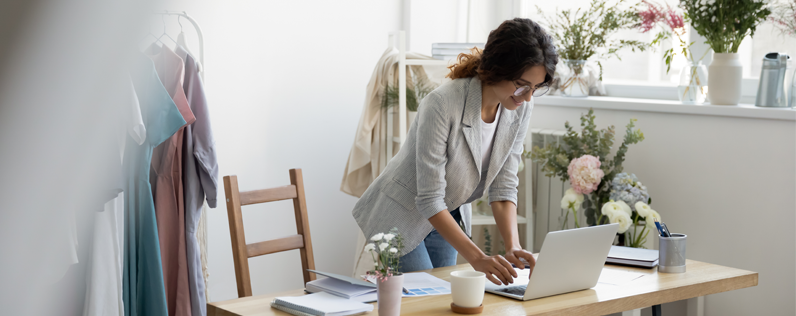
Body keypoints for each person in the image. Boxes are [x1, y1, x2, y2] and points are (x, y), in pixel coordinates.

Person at [352, 18, 558, 286]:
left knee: (442, 300)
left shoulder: (520, 109)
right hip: (399, 216)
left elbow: (504, 185)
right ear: (497, 68)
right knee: (424, 301)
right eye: (521, 84)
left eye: (535, 88)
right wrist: (478, 257)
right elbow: (428, 198)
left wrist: (512, 245)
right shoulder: (442, 103)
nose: (527, 97)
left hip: (448, 213)